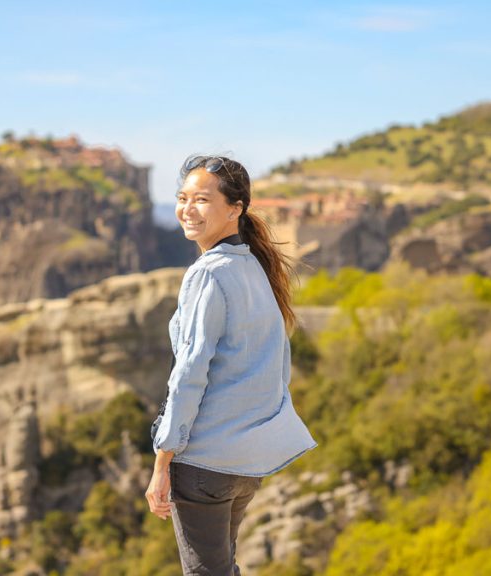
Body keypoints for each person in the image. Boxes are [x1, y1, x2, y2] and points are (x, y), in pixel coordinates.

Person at [144, 154, 318, 575]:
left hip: (206, 461)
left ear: (235, 208)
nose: (187, 209)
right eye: (182, 198)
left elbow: (189, 373)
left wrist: (162, 459)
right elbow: (278, 364)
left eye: (202, 199)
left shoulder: (209, 273)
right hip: (247, 462)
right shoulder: (256, 268)